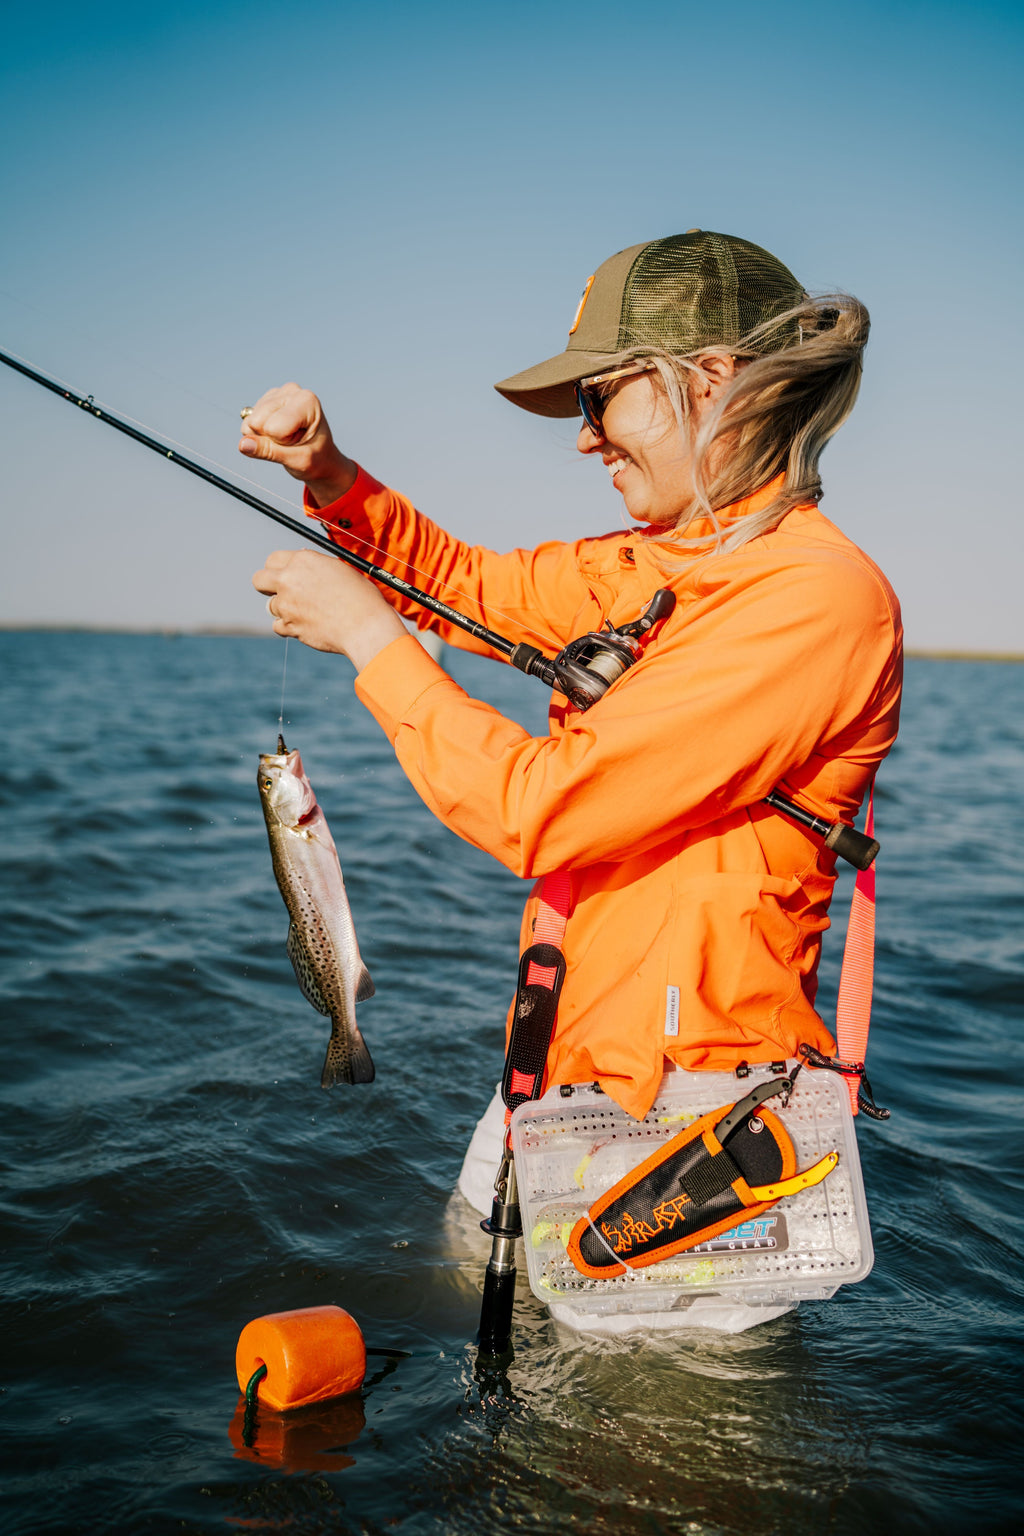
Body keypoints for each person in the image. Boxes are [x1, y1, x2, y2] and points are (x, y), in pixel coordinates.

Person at [245, 229, 902, 1231]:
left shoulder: (812, 600)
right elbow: (458, 585)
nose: (585, 438)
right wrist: (330, 477)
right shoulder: (642, 568)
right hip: (551, 1075)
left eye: (599, 398)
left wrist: (369, 641)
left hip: (696, 1127)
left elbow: (541, 809)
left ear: (714, 379)